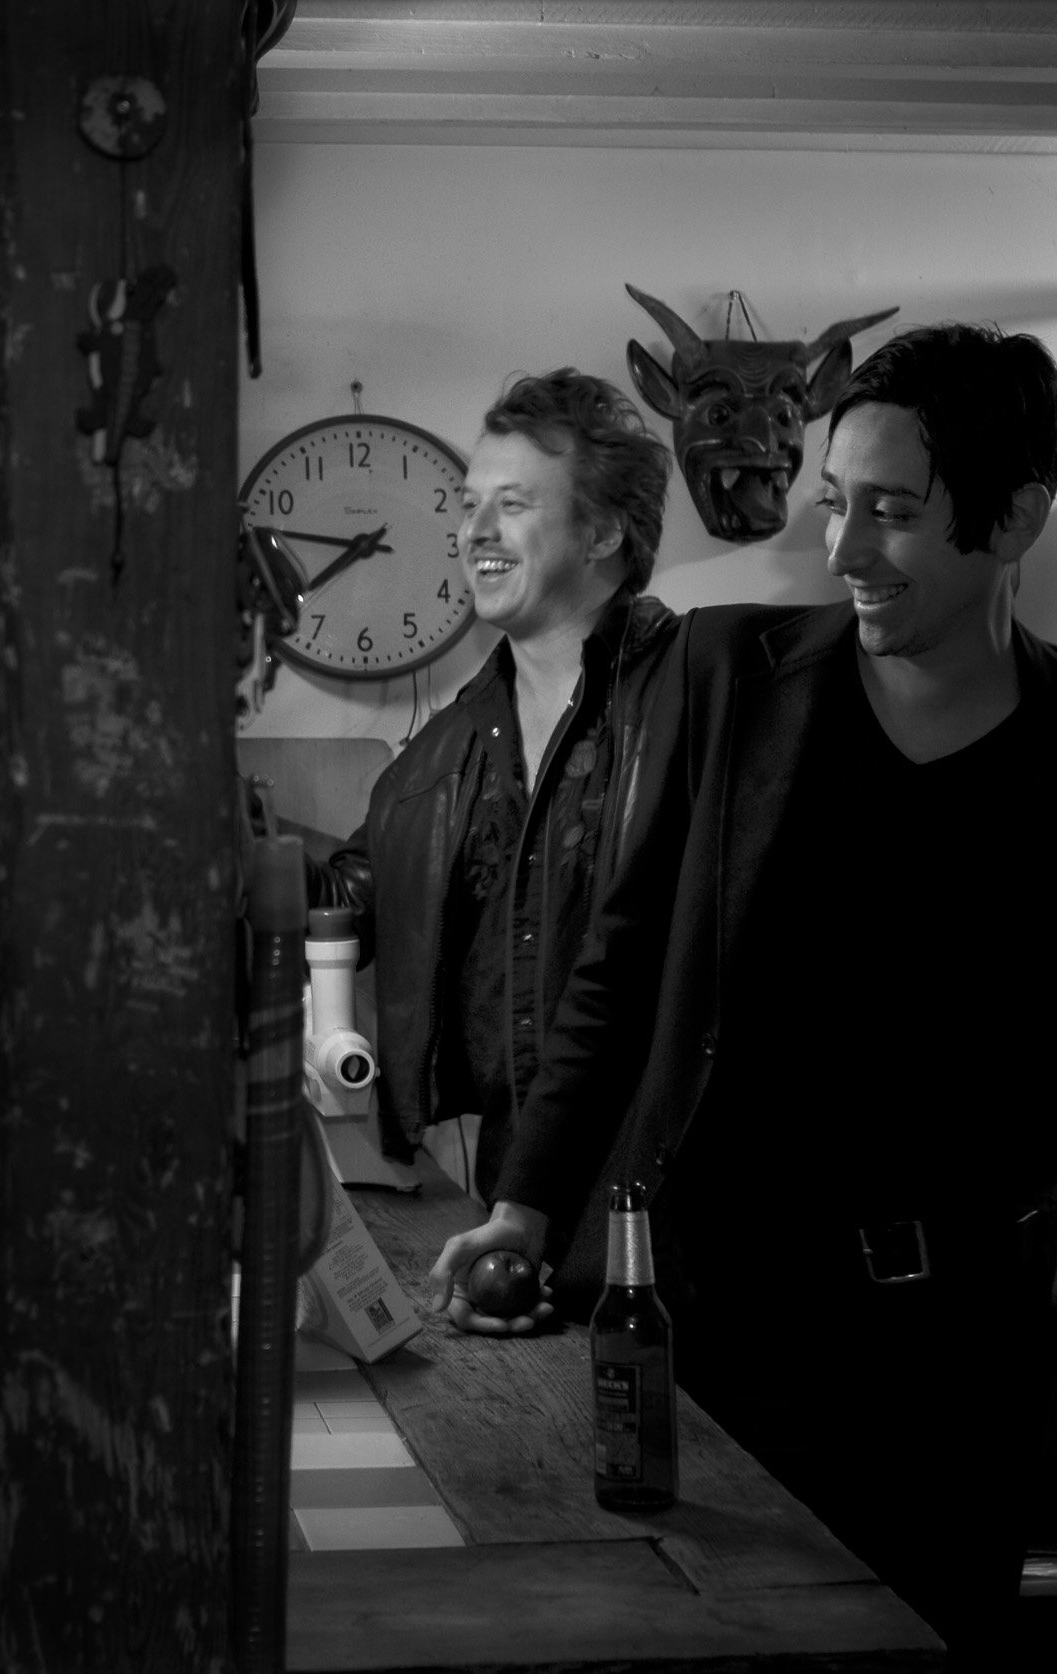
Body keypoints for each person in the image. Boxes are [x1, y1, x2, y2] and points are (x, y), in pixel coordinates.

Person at [427, 324, 1057, 1665]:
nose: (843, 551)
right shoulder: (729, 673)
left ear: (1015, 517)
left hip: (962, 1337)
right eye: (834, 502)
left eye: (893, 513)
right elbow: (618, 960)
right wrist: (523, 1202)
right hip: (727, 1314)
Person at [315, 369, 677, 1320]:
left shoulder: (691, 704)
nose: (472, 532)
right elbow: (349, 891)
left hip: (686, 1206)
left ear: (604, 534)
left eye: (510, 506)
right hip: (519, 1216)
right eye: (468, 506)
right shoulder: (445, 753)